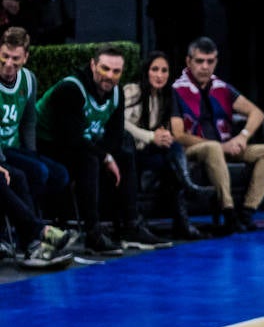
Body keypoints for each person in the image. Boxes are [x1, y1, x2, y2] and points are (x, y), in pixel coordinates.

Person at [35, 44, 168, 254]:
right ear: (93, 65)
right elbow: (71, 139)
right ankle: (93, 234)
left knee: (124, 150)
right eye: (104, 68)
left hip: (81, 143)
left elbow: (114, 136)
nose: (110, 76)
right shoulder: (70, 89)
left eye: (116, 71)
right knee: (90, 159)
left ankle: (129, 226)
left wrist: (109, 155)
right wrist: (105, 157)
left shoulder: (116, 93)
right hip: (48, 144)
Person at [170, 37, 264, 234]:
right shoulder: (176, 90)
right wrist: (221, 147)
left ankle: (247, 212)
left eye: (210, 61)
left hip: (225, 145)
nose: (205, 67)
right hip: (194, 149)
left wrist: (242, 137)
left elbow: (257, 113)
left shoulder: (222, 88)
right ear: (188, 62)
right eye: (199, 61)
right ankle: (228, 212)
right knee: (213, 148)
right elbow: (178, 134)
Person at [124, 51, 208, 241]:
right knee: (171, 158)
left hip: (147, 153)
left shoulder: (164, 98)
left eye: (164, 71)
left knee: (173, 151)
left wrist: (163, 136)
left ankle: (182, 224)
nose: (159, 75)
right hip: (129, 153)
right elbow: (122, 125)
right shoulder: (132, 90)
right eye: (155, 69)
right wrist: (152, 136)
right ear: (146, 71)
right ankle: (189, 188)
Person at [0, 25, 75, 228]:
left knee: (60, 174)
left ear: (25, 57)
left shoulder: (29, 80)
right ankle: (32, 230)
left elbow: (28, 121)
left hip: (13, 147)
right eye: (4, 56)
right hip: (1, 151)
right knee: (36, 172)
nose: (8, 64)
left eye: (15, 59)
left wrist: (31, 152)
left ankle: (31, 221)